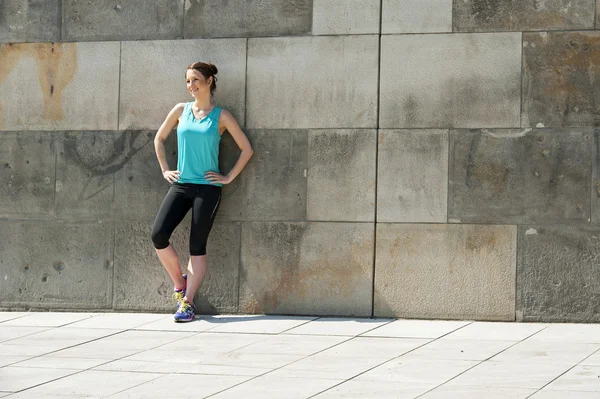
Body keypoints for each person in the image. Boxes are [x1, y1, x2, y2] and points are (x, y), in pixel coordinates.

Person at [151, 62, 253, 322]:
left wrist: (228, 177)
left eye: (196, 80)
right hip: (181, 184)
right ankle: (179, 284)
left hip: (207, 188)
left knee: (197, 245)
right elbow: (159, 139)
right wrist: (166, 169)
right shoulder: (180, 110)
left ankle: (188, 303)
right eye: (187, 81)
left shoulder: (221, 116)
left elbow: (246, 149)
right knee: (158, 235)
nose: (191, 86)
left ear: (209, 81)